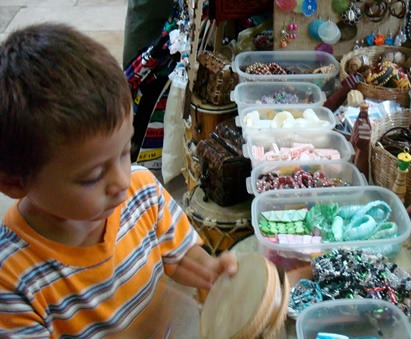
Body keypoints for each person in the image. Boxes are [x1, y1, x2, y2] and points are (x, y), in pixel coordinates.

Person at [0, 23, 237, 337]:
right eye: (93, 177)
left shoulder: (143, 193)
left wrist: (210, 273)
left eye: (125, 152)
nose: (121, 181)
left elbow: (179, 257)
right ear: (15, 183)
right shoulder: (13, 279)